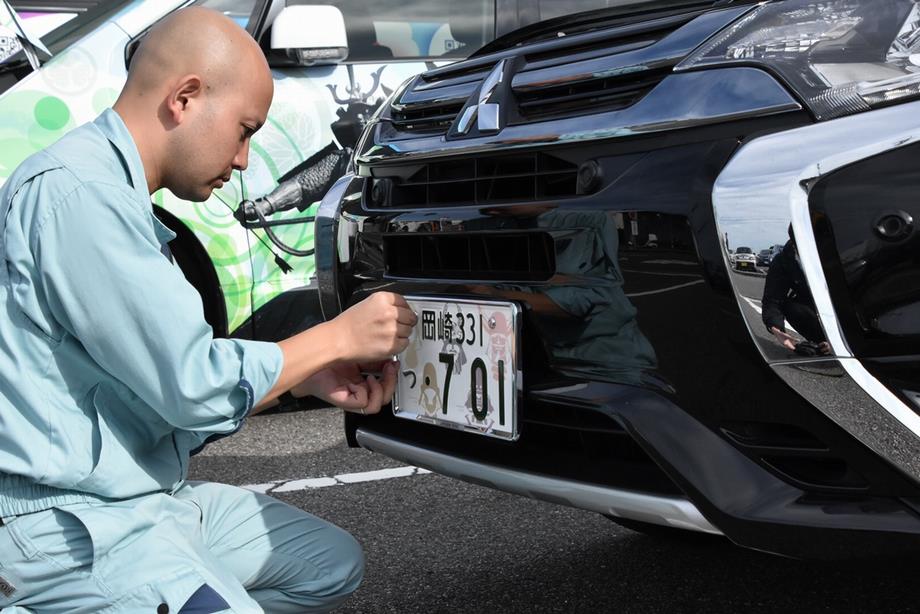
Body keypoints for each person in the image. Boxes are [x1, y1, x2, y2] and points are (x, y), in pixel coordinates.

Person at [0, 7, 416, 613]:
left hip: (140, 501)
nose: (245, 158)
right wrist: (334, 340)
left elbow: (161, 393)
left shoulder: (110, 191)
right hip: (67, 527)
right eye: (245, 129)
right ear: (186, 98)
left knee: (329, 566)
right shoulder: (81, 196)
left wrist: (304, 373)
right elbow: (194, 386)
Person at [761, 225, 830, 356]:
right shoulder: (783, 261)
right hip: (814, 306)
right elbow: (772, 299)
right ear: (794, 242)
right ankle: (823, 342)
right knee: (790, 306)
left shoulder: (840, 254)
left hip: (846, 308)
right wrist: (776, 329)